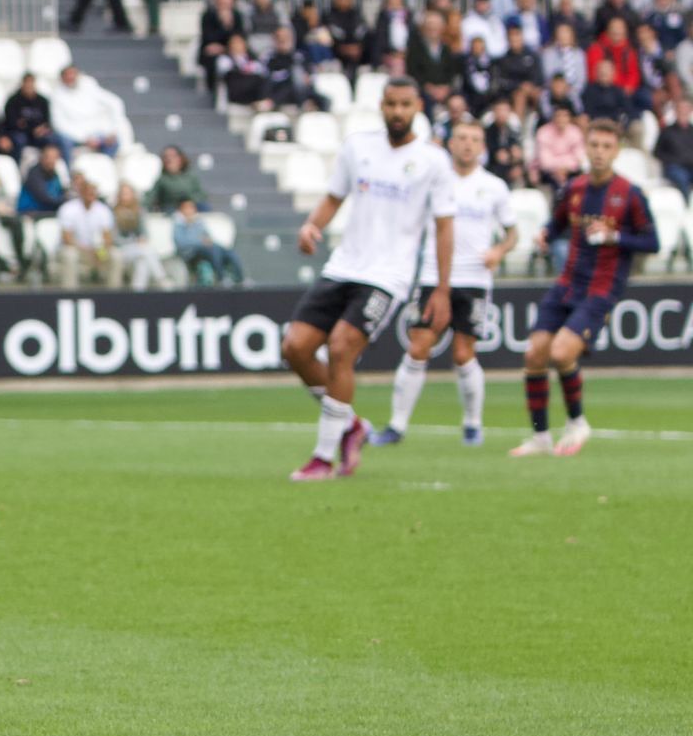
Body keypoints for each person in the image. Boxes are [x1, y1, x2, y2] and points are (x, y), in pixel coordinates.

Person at [282, 77, 456, 482]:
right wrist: (311, 226)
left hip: (388, 275)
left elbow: (444, 228)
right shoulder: (357, 147)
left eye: (405, 105)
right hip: (344, 266)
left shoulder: (433, 161)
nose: (398, 112)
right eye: (391, 104)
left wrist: (442, 289)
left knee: (341, 347)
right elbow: (333, 197)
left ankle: (323, 458)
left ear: (418, 107)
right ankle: (351, 425)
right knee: (295, 348)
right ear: (381, 105)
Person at [510, 119, 660, 459]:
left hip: (601, 289)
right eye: (594, 145)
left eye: (607, 146)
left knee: (562, 352)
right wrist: (545, 234)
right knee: (534, 355)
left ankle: (577, 422)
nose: (600, 152)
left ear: (617, 151)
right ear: (586, 148)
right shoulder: (574, 188)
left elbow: (652, 242)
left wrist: (614, 236)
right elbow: (557, 221)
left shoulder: (629, 194)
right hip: (567, 283)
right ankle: (540, 436)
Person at [371, 122, 517, 449]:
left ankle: (472, 424)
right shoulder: (434, 181)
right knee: (418, 347)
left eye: (475, 139)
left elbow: (512, 234)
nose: (468, 144)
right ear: (450, 144)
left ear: (483, 147)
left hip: (474, 280)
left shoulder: (494, 187)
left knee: (464, 354)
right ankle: (396, 425)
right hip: (433, 277)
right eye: (462, 138)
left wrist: (499, 250)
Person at [56, 172, 117, 286]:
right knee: (70, 255)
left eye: (93, 193)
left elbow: (108, 237)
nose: (91, 195)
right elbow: (67, 238)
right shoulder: (68, 209)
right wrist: (85, 250)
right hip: (76, 249)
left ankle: (115, 292)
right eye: (88, 192)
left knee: (116, 255)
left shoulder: (103, 210)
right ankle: (70, 292)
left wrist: (100, 252)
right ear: (81, 193)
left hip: (97, 250)